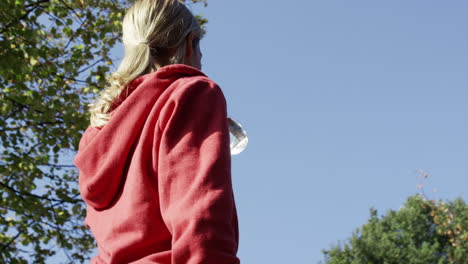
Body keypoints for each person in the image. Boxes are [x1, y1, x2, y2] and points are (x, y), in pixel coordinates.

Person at [74, 0, 240, 263]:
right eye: (200, 47)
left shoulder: (97, 131)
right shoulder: (191, 93)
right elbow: (201, 217)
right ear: (190, 43)